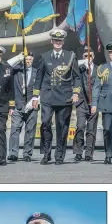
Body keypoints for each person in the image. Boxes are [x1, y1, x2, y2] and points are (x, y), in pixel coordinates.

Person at [32, 29, 81, 165]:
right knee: (45, 123)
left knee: (62, 127)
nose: (58, 42)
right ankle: (46, 153)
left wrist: (76, 93)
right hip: (47, 95)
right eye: (55, 40)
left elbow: (77, 77)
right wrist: (35, 96)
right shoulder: (45, 56)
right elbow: (39, 78)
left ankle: (59, 155)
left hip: (64, 96)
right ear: (51, 41)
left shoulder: (70, 56)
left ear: (63, 41)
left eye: (60, 40)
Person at [8, 52, 38, 162]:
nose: (28, 61)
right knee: (15, 129)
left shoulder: (37, 72)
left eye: (30, 59)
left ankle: (27, 154)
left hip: (32, 105)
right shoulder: (16, 70)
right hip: (18, 104)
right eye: (26, 59)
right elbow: (8, 65)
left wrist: (36, 100)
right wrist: (18, 57)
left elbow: (41, 86)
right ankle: (13, 153)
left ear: (33, 60)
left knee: (30, 130)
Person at [73, 48, 98, 162]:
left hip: (93, 102)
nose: (88, 58)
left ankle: (89, 153)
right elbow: (71, 68)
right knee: (80, 126)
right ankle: (78, 152)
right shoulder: (79, 68)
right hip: (82, 102)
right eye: (86, 56)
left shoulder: (98, 69)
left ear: (93, 57)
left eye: (90, 56)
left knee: (91, 129)